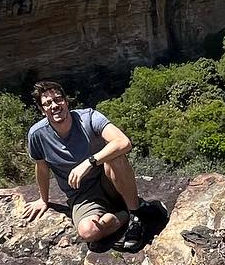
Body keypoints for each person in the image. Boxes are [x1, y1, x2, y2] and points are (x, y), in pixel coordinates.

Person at [27, 79, 145, 249]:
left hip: (109, 180)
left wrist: (90, 162)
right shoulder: (37, 134)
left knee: (116, 155)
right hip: (82, 195)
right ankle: (123, 215)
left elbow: (123, 142)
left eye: (58, 99)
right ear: (42, 110)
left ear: (66, 102)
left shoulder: (88, 118)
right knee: (88, 233)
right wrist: (43, 200)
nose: (54, 106)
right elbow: (42, 168)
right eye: (47, 103)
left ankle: (136, 216)